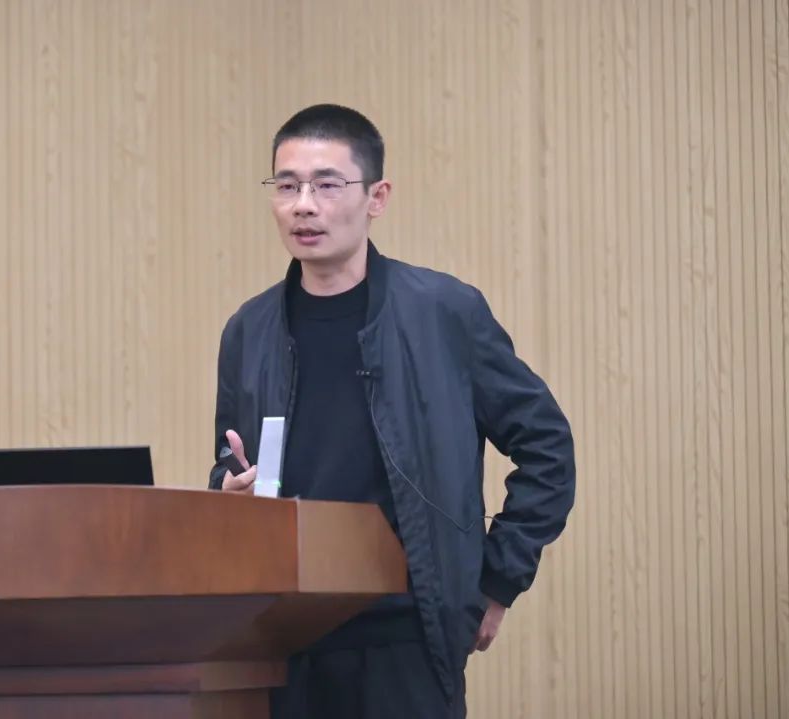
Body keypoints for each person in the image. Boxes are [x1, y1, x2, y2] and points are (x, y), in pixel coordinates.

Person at [208, 104, 576, 718]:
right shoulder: (248, 329)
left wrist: (497, 580)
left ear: (376, 197)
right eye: (287, 186)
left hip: (408, 636)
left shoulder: (445, 313)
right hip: (283, 641)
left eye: (327, 185)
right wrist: (228, 489)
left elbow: (547, 447)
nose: (303, 205)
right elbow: (231, 462)